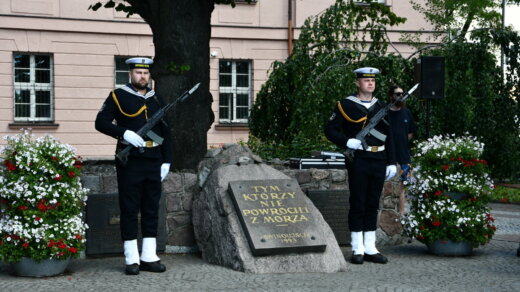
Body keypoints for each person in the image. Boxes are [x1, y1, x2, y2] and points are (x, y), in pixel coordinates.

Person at [95, 57, 173, 275]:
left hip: (154, 159)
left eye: (146, 73)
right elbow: (99, 122)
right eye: (138, 72)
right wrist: (124, 133)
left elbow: (166, 131)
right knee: (129, 209)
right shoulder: (118, 96)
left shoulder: (156, 97)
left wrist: (167, 160)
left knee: (151, 207)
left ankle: (149, 256)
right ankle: (131, 258)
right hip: (131, 162)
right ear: (129, 74)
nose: (143, 77)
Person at [325, 67, 397, 265]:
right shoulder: (345, 105)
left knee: (373, 203)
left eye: (373, 80)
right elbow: (330, 130)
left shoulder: (382, 106)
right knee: (358, 202)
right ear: (358, 83)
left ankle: (371, 247)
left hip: (379, 159)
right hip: (359, 159)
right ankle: (357, 247)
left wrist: (392, 161)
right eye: (366, 80)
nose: (370, 83)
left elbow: (390, 136)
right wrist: (347, 141)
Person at [387, 85, 417, 216]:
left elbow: (411, 132)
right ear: (391, 96)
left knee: (403, 186)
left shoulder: (407, 112)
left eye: (402, 93)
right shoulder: (385, 113)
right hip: (387, 156)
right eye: (397, 94)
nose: (401, 96)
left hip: (404, 156)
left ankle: (401, 214)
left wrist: (402, 142)